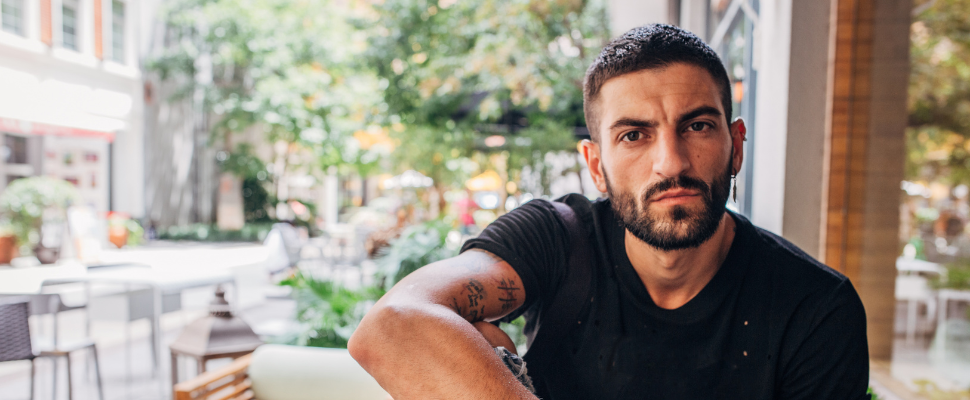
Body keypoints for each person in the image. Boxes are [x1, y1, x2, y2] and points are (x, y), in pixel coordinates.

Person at [348, 24, 870, 399]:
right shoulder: (556, 238)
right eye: (634, 135)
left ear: (736, 145)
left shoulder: (816, 310)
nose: (671, 162)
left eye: (698, 126)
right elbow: (392, 326)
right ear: (596, 166)